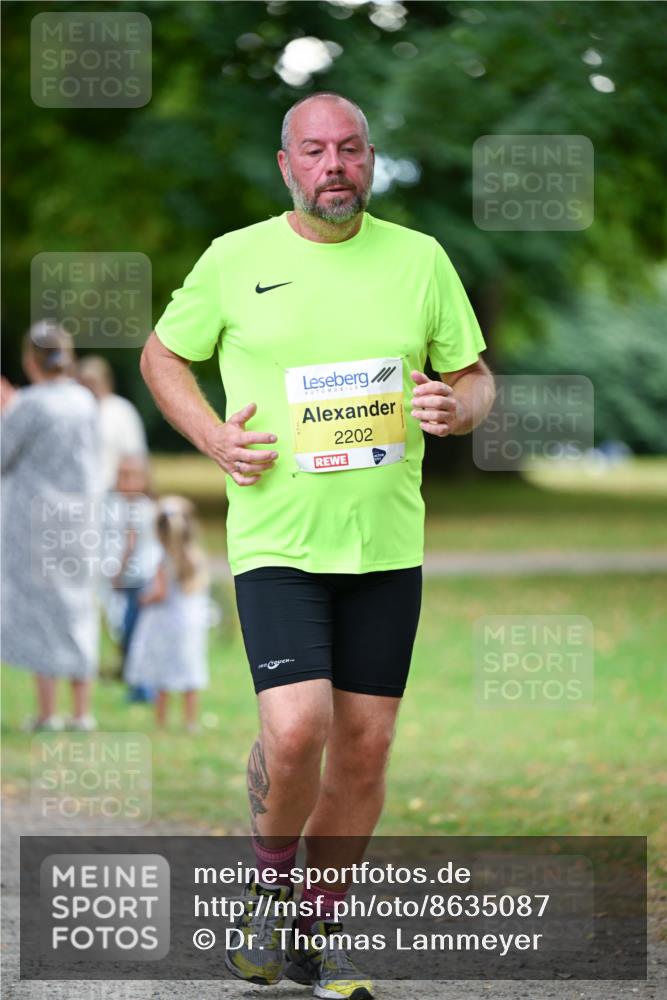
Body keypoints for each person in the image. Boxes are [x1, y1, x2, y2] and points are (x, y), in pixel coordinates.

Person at [140, 93, 495, 999]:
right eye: (314, 151)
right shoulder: (233, 259)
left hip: (384, 546)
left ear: (369, 159)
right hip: (277, 540)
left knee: (366, 748)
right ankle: (267, 891)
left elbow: (473, 376)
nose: (332, 165)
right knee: (296, 730)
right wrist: (213, 437)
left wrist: (460, 410)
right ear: (285, 164)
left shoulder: (421, 259)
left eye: (348, 150)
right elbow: (161, 358)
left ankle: (314, 934)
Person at [1, 321, 100, 731]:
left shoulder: (31, 404)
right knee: (78, 608)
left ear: (30, 359)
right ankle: (81, 712)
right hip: (81, 518)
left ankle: (47, 712)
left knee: (44, 611)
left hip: (37, 520)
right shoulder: (84, 400)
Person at [123, 495, 209, 730]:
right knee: (190, 671)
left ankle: (161, 721)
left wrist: (144, 598)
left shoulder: (164, 560)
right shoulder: (195, 557)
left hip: (165, 624)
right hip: (190, 622)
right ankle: (190, 721)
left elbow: (160, 593)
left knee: (164, 674)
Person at [105, 455, 162, 700]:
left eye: (131, 476)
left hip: (140, 579)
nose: (125, 482)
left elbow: (130, 543)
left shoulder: (139, 508)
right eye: (121, 475)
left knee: (134, 633)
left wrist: (117, 573)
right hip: (133, 581)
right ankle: (137, 684)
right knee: (129, 631)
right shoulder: (121, 505)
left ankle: (143, 687)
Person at [77, 355, 147, 491]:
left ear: (106, 381)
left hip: (113, 493)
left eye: (92, 381)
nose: (88, 387)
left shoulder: (121, 411)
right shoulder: (72, 411)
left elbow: (134, 458)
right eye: (84, 382)